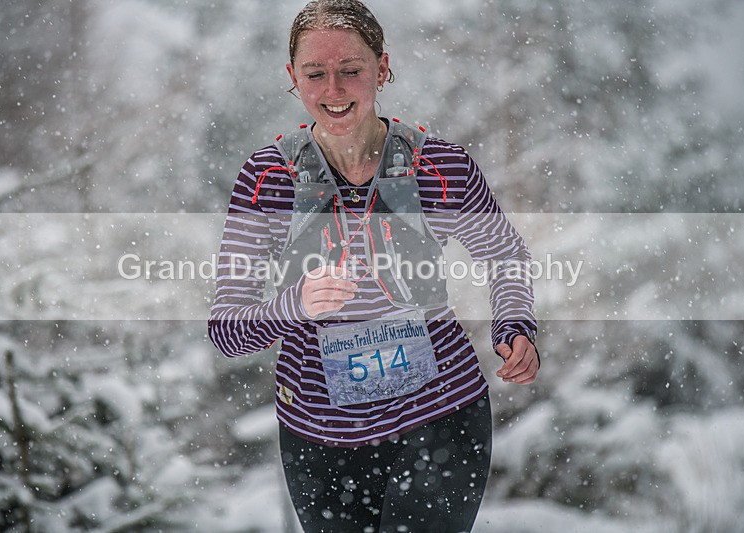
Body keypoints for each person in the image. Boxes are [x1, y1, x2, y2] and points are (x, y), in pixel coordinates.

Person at [208, 1, 539, 531]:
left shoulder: (439, 168)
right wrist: (297, 303)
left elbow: (507, 257)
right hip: (320, 437)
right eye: (315, 74)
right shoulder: (268, 179)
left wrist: (514, 324)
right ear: (293, 77)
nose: (333, 89)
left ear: (382, 68)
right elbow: (226, 329)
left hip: (441, 415)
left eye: (351, 71)